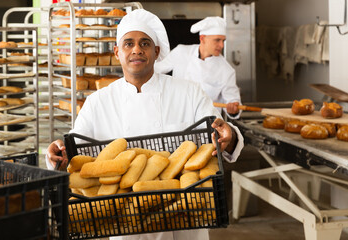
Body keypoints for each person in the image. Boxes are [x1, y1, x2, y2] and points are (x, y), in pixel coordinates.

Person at [46, 9, 244, 240]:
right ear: (117, 52)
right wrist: (57, 155)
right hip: (124, 227)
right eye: (128, 44)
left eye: (145, 43)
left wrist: (229, 137)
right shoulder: (98, 102)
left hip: (185, 224)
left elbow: (220, 136)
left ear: (156, 51)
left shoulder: (189, 93)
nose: (136, 50)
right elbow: (74, 154)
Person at [155, 16, 241, 119]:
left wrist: (233, 108)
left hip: (207, 125)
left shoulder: (226, 70)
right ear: (202, 38)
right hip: (178, 119)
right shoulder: (181, 52)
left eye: (223, 41)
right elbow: (155, 70)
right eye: (217, 40)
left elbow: (232, 101)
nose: (221, 45)